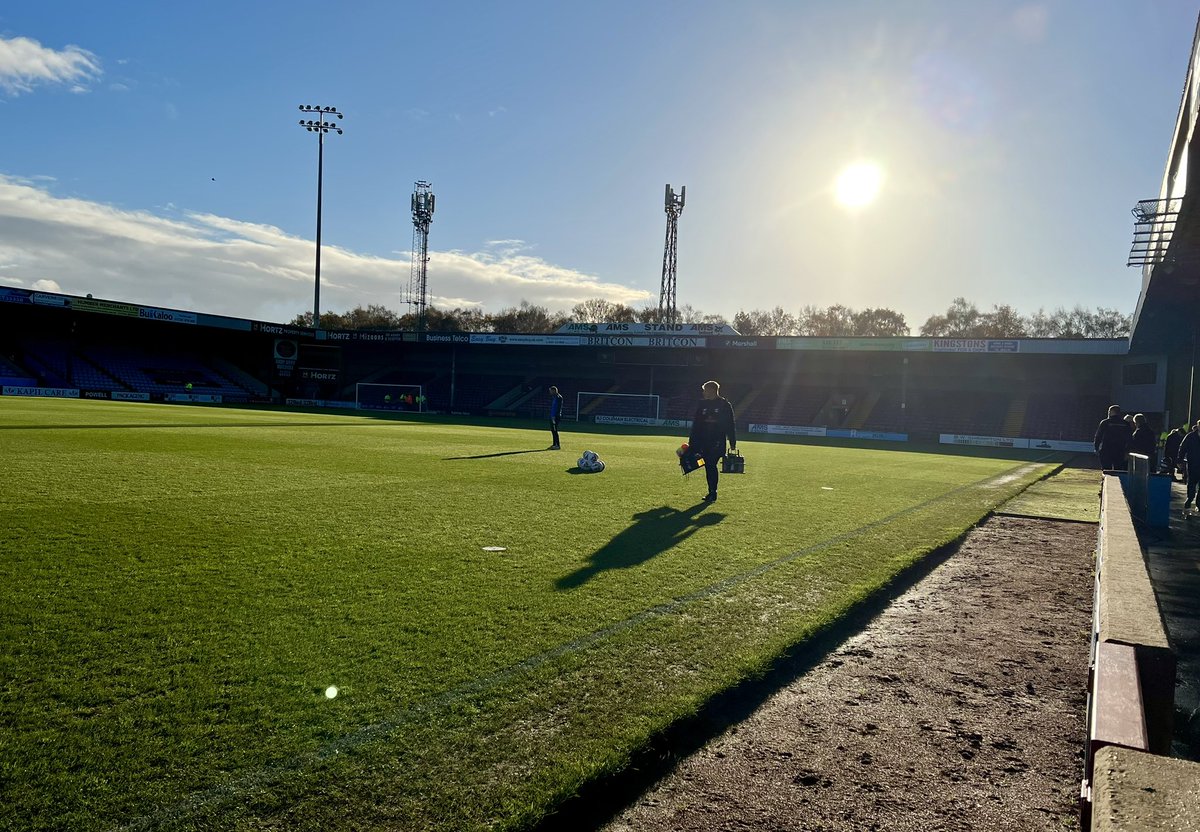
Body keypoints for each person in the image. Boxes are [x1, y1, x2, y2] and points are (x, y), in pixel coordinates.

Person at [688, 380, 737, 503]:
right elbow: (696, 424)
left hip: (717, 442)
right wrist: (692, 441)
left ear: (712, 390)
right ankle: (711, 491)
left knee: (710, 465)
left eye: (705, 390)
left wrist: (732, 442)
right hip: (702, 441)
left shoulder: (724, 405)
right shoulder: (702, 404)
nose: (704, 392)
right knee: (705, 465)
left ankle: (712, 492)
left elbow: (730, 424)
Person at [1094, 404, 1132, 471]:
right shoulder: (1126, 424)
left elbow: (1098, 436)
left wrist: (1096, 448)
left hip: (1106, 449)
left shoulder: (1105, 422)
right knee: (1118, 470)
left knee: (1106, 469)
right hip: (1120, 450)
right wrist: (1127, 451)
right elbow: (1129, 439)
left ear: (1111, 412)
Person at [1179, 421, 1200, 512]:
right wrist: (1179, 460)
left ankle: (1198, 503)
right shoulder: (1191, 436)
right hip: (1193, 463)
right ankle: (1190, 498)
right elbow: (1183, 448)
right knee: (1191, 482)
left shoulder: (1191, 436)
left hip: (1194, 462)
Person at [548, 385, 563, 449]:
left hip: (555, 416)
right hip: (552, 416)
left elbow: (558, 408)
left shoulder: (558, 397)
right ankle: (554, 444)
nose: (550, 392)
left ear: (554, 390)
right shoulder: (554, 397)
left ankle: (557, 445)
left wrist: (554, 416)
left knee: (555, 430)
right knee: (553, 430)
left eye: (551, 391)